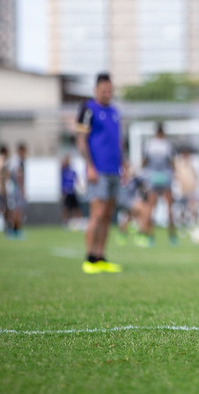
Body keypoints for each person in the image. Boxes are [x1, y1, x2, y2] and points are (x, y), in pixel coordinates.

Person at [76, 73, 123, 274]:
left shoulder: (115, 112)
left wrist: (125, 164)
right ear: (96, 90)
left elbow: (118, 141)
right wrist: (90, 166)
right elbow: (81, 140)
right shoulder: (88, 109)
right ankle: (90, 258)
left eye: (110, 90)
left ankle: (101, 256)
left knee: (108, 215)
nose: (107, 93)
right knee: (97, 213)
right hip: (98, 170)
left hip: (114, 170)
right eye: (104, 90)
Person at [143, 123, 176, 245]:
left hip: (152, 177)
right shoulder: (167, 145)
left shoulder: (149, 145)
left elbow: (144, 162)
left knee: (151, 207)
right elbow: (172, 163)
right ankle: (172, 236)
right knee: (169, 207)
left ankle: (150, 237)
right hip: (165, 177)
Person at [173, 146, 199, 231]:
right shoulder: (178, 163)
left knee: (194, 207)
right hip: (182, 190)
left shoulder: (192, 162)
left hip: (191, 189)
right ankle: (182, 225)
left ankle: (195, 225)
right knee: (182, 208)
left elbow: (195, 176)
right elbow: (177, 176)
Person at [5, 142, 27, 239]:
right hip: (16, 188)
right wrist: (22, 189)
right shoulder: (17, 160)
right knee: (17, 210)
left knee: (14, 209)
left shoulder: (13, 160)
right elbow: (19, 175)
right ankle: (16, 230)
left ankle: (14, 230)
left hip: (12, 188)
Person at [60, 155, 83, 228]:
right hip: (67, 193)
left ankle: (79, 222)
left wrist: (81, 188)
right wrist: (63, 193)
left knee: (76, 208)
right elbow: (62, 182)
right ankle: (65, 222)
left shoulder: (73, 172)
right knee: (66, 208)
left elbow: (77, 180)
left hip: (73, 192)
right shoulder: (63, 171)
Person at [0, 145, 10, 233]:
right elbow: (4, 175)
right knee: (3, 208)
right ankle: (4, 226)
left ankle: (5, 226)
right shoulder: (2, 160)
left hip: (3, 188)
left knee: (4, 208)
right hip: (1, 189)